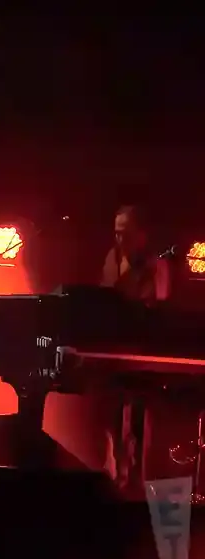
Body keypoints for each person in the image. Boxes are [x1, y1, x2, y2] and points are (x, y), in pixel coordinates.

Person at [99, 204, 171, 495]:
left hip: (143, 351)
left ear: (142, 234)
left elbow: (161, 308)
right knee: (113, 414)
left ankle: (139, 480)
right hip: (114, 349)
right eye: (116, 233)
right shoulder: (111, 258)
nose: (120, 240)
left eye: (126, 234)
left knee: (138, 417)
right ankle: (119, 472)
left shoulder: (157, 264)